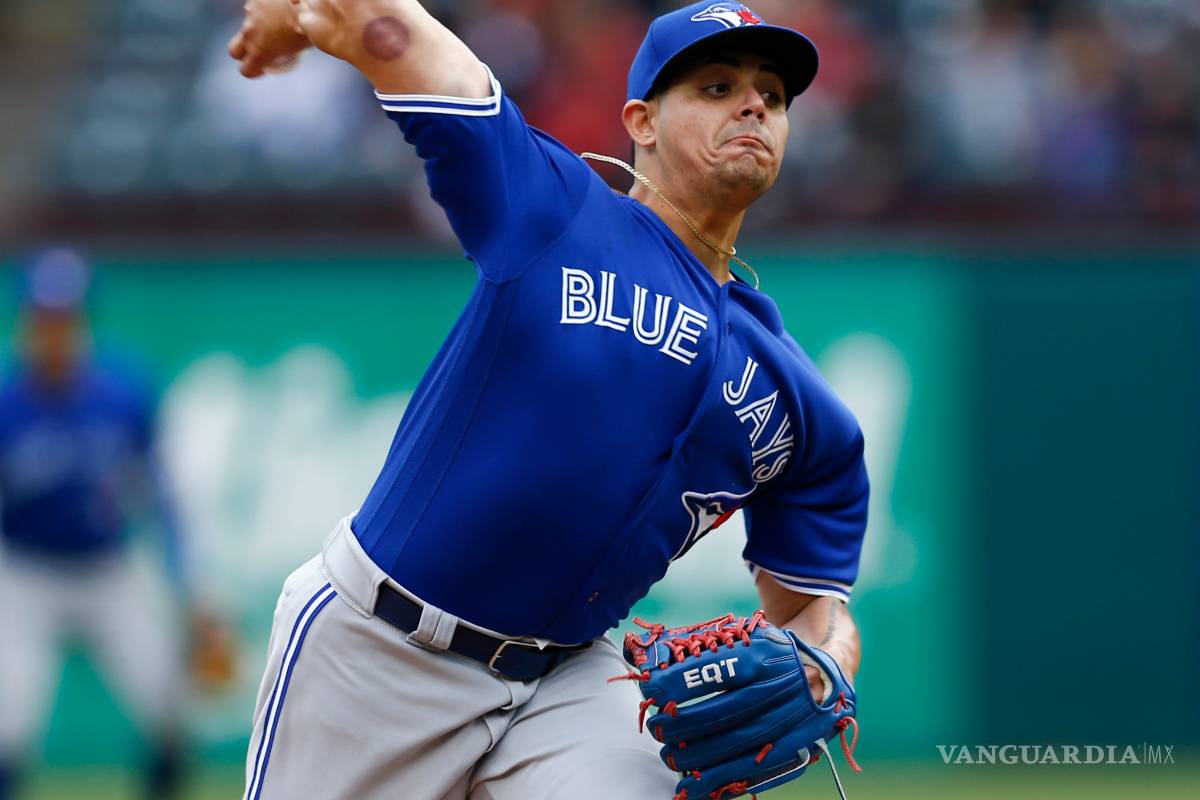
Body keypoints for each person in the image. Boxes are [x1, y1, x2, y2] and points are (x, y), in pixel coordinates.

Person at [229, 2, 869, 798]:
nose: (753, 106)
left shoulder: (801, 405)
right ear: (640, 120)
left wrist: (824, 664)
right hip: (379, 653)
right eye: (716, 85)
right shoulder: (556, 211)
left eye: (772, 96)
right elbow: (406, 41)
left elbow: (817, 612)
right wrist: (306, 18)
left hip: (571, 686)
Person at [0, 248, 202, 800]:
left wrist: (191, 585)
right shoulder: (6, 403)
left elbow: (163, 496)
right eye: (43, 319)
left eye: (65, 318)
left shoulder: (121, 394)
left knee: (167, 702)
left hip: (106, 569)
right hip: (23, 573)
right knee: (7, 719)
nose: (54, 331)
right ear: (26, 323)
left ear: (83, 321)